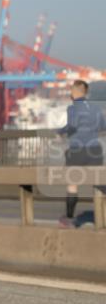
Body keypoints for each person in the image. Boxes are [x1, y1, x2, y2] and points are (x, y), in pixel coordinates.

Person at [57, 80, 105, 227]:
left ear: (74, 92)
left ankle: (69, 219)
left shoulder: (72, 108)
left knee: (72, 185)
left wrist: (60, 133)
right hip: (95, 149)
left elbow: (72, 126)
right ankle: (102, 217)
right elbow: (103, 126)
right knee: (99, 184)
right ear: (86, 92)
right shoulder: (96, 109)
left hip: (77, 150)